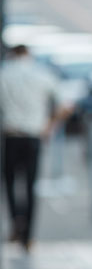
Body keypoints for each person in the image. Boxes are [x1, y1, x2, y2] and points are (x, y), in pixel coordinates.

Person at [0, 45, 73, 252]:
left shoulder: (4, 74)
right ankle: (28, 236)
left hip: (11, 135)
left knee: (10, 182)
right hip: (34, 135)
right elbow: (66, 106)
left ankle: (16, 221)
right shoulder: (42, 74)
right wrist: (50, 126)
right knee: (30, 185)